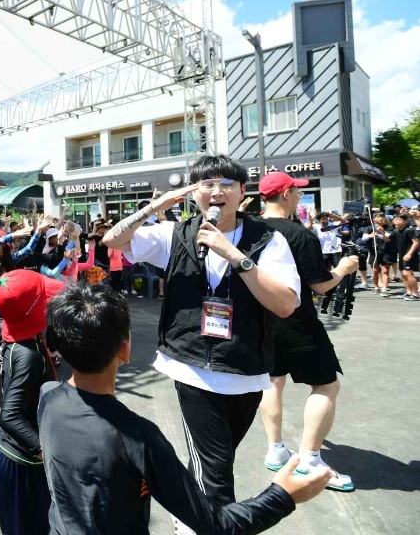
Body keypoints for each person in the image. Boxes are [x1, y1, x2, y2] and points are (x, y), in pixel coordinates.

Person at [103, 155, 301, 532]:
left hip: (246, 371)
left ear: (243, 192)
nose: (217, 191)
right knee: (218, 482)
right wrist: (157, 206)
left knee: (218, 461)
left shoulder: (268, 239)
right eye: (207, 183)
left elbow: (286, 304)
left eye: (227, 183)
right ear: (194, 193)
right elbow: (114, 240)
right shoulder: (176, 234)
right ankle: (205, 523)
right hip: (193, 369)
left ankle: (187, 513)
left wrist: (235, 257)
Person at [39, 282, 332, 535]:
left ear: (60, 348)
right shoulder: (138, 437)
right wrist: (283, 496)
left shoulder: (48, 397)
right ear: (125, 350)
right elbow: (214, 525)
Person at [257, 172, 360, 492]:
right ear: (286, 194)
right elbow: (319, 284)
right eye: (297, 191)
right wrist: (343, 269)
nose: (300, 196)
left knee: (272, 382)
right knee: (326, 386)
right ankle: (310, 460)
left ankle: (276, 450)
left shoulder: (248, 230)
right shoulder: (299, 235)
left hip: (259, 321)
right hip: (297, 321)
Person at [0, 269, 62, 534]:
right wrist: (45, 452)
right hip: (21, 461)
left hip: (15, 454)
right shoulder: (28, 357)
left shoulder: (11, 327)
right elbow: (9, 416)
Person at [0, 221, 45, 402]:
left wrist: (38, 230)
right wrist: (13, 235)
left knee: (12, 345)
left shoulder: (10, 260)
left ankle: (13, 382)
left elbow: (29, 250)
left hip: (11, 312)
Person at [358, 214, 395, 297]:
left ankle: (384, 289)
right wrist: (370, 235)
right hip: (374, 251)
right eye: (378, 217)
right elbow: (364, 238)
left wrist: (381, 233)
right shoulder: (370, 228)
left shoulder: (389, 228)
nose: (381, 219)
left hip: (386, 251)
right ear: (374, 219)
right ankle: (376, 287)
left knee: (385, 270)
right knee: (375, 271)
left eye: (382, 217)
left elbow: (387, 239)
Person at [392, 213, 419, 300]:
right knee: (403, 274)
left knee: (408, 273)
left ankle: (415, 294)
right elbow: (387, 240)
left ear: (404, 221)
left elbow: (416, 242)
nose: (397, 221)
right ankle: (408, 292)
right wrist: (381, 233)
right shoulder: (395, 231)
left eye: (399, 220)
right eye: (395, 219)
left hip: (409, 254)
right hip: (401, 254)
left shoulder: (408, 230)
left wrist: (409, 254)